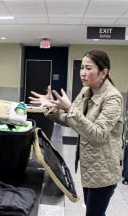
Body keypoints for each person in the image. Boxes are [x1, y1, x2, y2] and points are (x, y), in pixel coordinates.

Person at [29, 49, 124, 216]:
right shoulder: (85, 92)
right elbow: (70, 119)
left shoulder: (113, 98)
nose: (83, 73)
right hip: (89, 168)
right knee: (93, 210)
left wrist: (70, 109)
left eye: (88, 68)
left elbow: (98, 133)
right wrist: (51, 108)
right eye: (81, 68)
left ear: (103, 72)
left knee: (94, 213)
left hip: (104, 170)